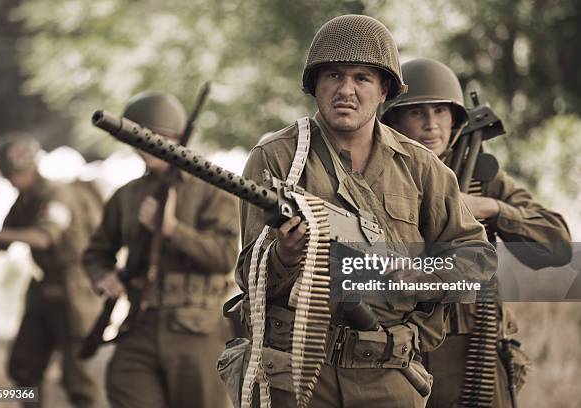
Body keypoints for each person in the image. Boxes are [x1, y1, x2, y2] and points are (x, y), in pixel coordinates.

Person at [223, 15, 497, 408]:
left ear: (384, 90)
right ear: (315, 85)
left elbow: (479, 260)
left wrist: (418, 276)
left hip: (387, 374)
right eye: (333, 76)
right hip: (297, 372)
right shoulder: (279, 158)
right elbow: (249, 278)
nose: (345, 90)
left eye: (362, 78)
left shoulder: (422, 167)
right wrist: (284, 256)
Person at [380, 57, 572, 407]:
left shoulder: (483, 181)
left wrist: (493, 209)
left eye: (441, 111)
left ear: (456, 119)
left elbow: (557, 243)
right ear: (392, 119)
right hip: (399, 352)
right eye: (417, 112)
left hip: (473, 350)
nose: (431, 125)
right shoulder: (375, 177)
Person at [82, 91, 240, 408]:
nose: (146, 147)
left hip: (196, 329)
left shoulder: (212, 190)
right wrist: (104, 277)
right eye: (138, 138)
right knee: (123, 387)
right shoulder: (127, 196)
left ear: (180, 138)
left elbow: (225, 257)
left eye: (157, 137)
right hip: (141, 322)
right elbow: (97, 252)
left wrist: (171, 230)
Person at [0, 135, 102, 408]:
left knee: (78, 378)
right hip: (43, 289)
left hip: (73, 291)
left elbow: (44, 237)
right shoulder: (26, 199)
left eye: (8, 173)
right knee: (23, 367)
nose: (5, 179)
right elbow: (0, 245)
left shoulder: (56, 194)